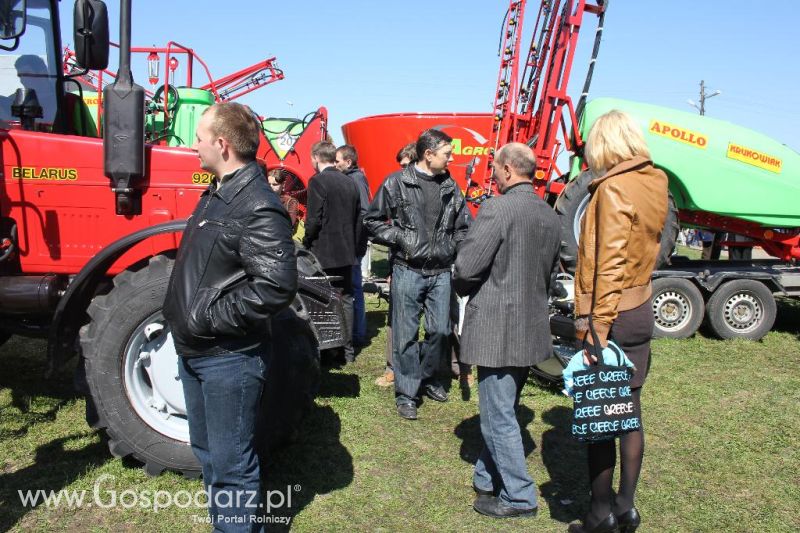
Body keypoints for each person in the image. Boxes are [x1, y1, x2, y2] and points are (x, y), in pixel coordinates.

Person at [163, 102, 298, 531]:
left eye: (199, 137)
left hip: (228, 358)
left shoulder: (256, 204)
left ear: (222, 144)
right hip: (198, 353)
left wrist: (205, 317)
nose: (193, 145)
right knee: (208, 453)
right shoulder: (217, 193)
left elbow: (275, 285)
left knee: (231, 468)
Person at [570, 110, 668, 533]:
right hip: (641, 306)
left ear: (604, 143)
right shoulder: (655, 180)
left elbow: (608, 265)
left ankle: (599, 514)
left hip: (612, 315)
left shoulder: (611, 188)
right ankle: (625, 509)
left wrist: (597, 331)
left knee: (602, 417)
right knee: (630, 412)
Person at [453, 142, 560, 518]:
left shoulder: (497, 207)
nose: (493, 173)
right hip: (528, 324)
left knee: (498, 414)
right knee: (505, 406)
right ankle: (486, 477)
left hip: (498, 326)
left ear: (509, 170)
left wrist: (461, 287)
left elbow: (467, 267)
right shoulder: (549, 213)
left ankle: (519, 496)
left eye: (495, 168)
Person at [364, 129, 471, 419]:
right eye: (447, 153)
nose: (452, 157)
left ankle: (430, 377)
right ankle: (407, 393)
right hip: (407, 270)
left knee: (440, 331)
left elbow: (464, 227)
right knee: (405, 335)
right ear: (429, 155)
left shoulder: (451, 185)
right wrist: (402, 238)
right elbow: (371, 221)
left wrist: (450, 245)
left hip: (440, 272)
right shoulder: (396, 183)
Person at [303, 140, 365, 363]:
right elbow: (360, 220)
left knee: (321, 301)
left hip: (323, 252)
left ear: (316, 158)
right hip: (347, 251)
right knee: (346, 299)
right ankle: (347, 352)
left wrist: (306, 241)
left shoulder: (317, 182)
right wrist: (357, 248)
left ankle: (328, 350)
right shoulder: (350, 182)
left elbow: (314, 219)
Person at [375, 143, 419, 387]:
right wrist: (397, 238)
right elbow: (377, 220)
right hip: (403, 262)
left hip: (436, 267)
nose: (405, 171)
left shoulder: (440, 184)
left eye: (408, 165)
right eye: (401, 166)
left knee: (445, 321)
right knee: (397, 318)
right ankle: (392, 367)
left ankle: (455, 366)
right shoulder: (394, 185)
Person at [335, 144, 371, 348]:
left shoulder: (356, 179)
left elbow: (365, 212)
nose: (335, 164)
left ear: (348, 162)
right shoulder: (351, 178)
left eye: (338, 160)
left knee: (355, 289)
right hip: (351, 243)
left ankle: (358, 334)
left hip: (353, 245)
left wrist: (356, 243)